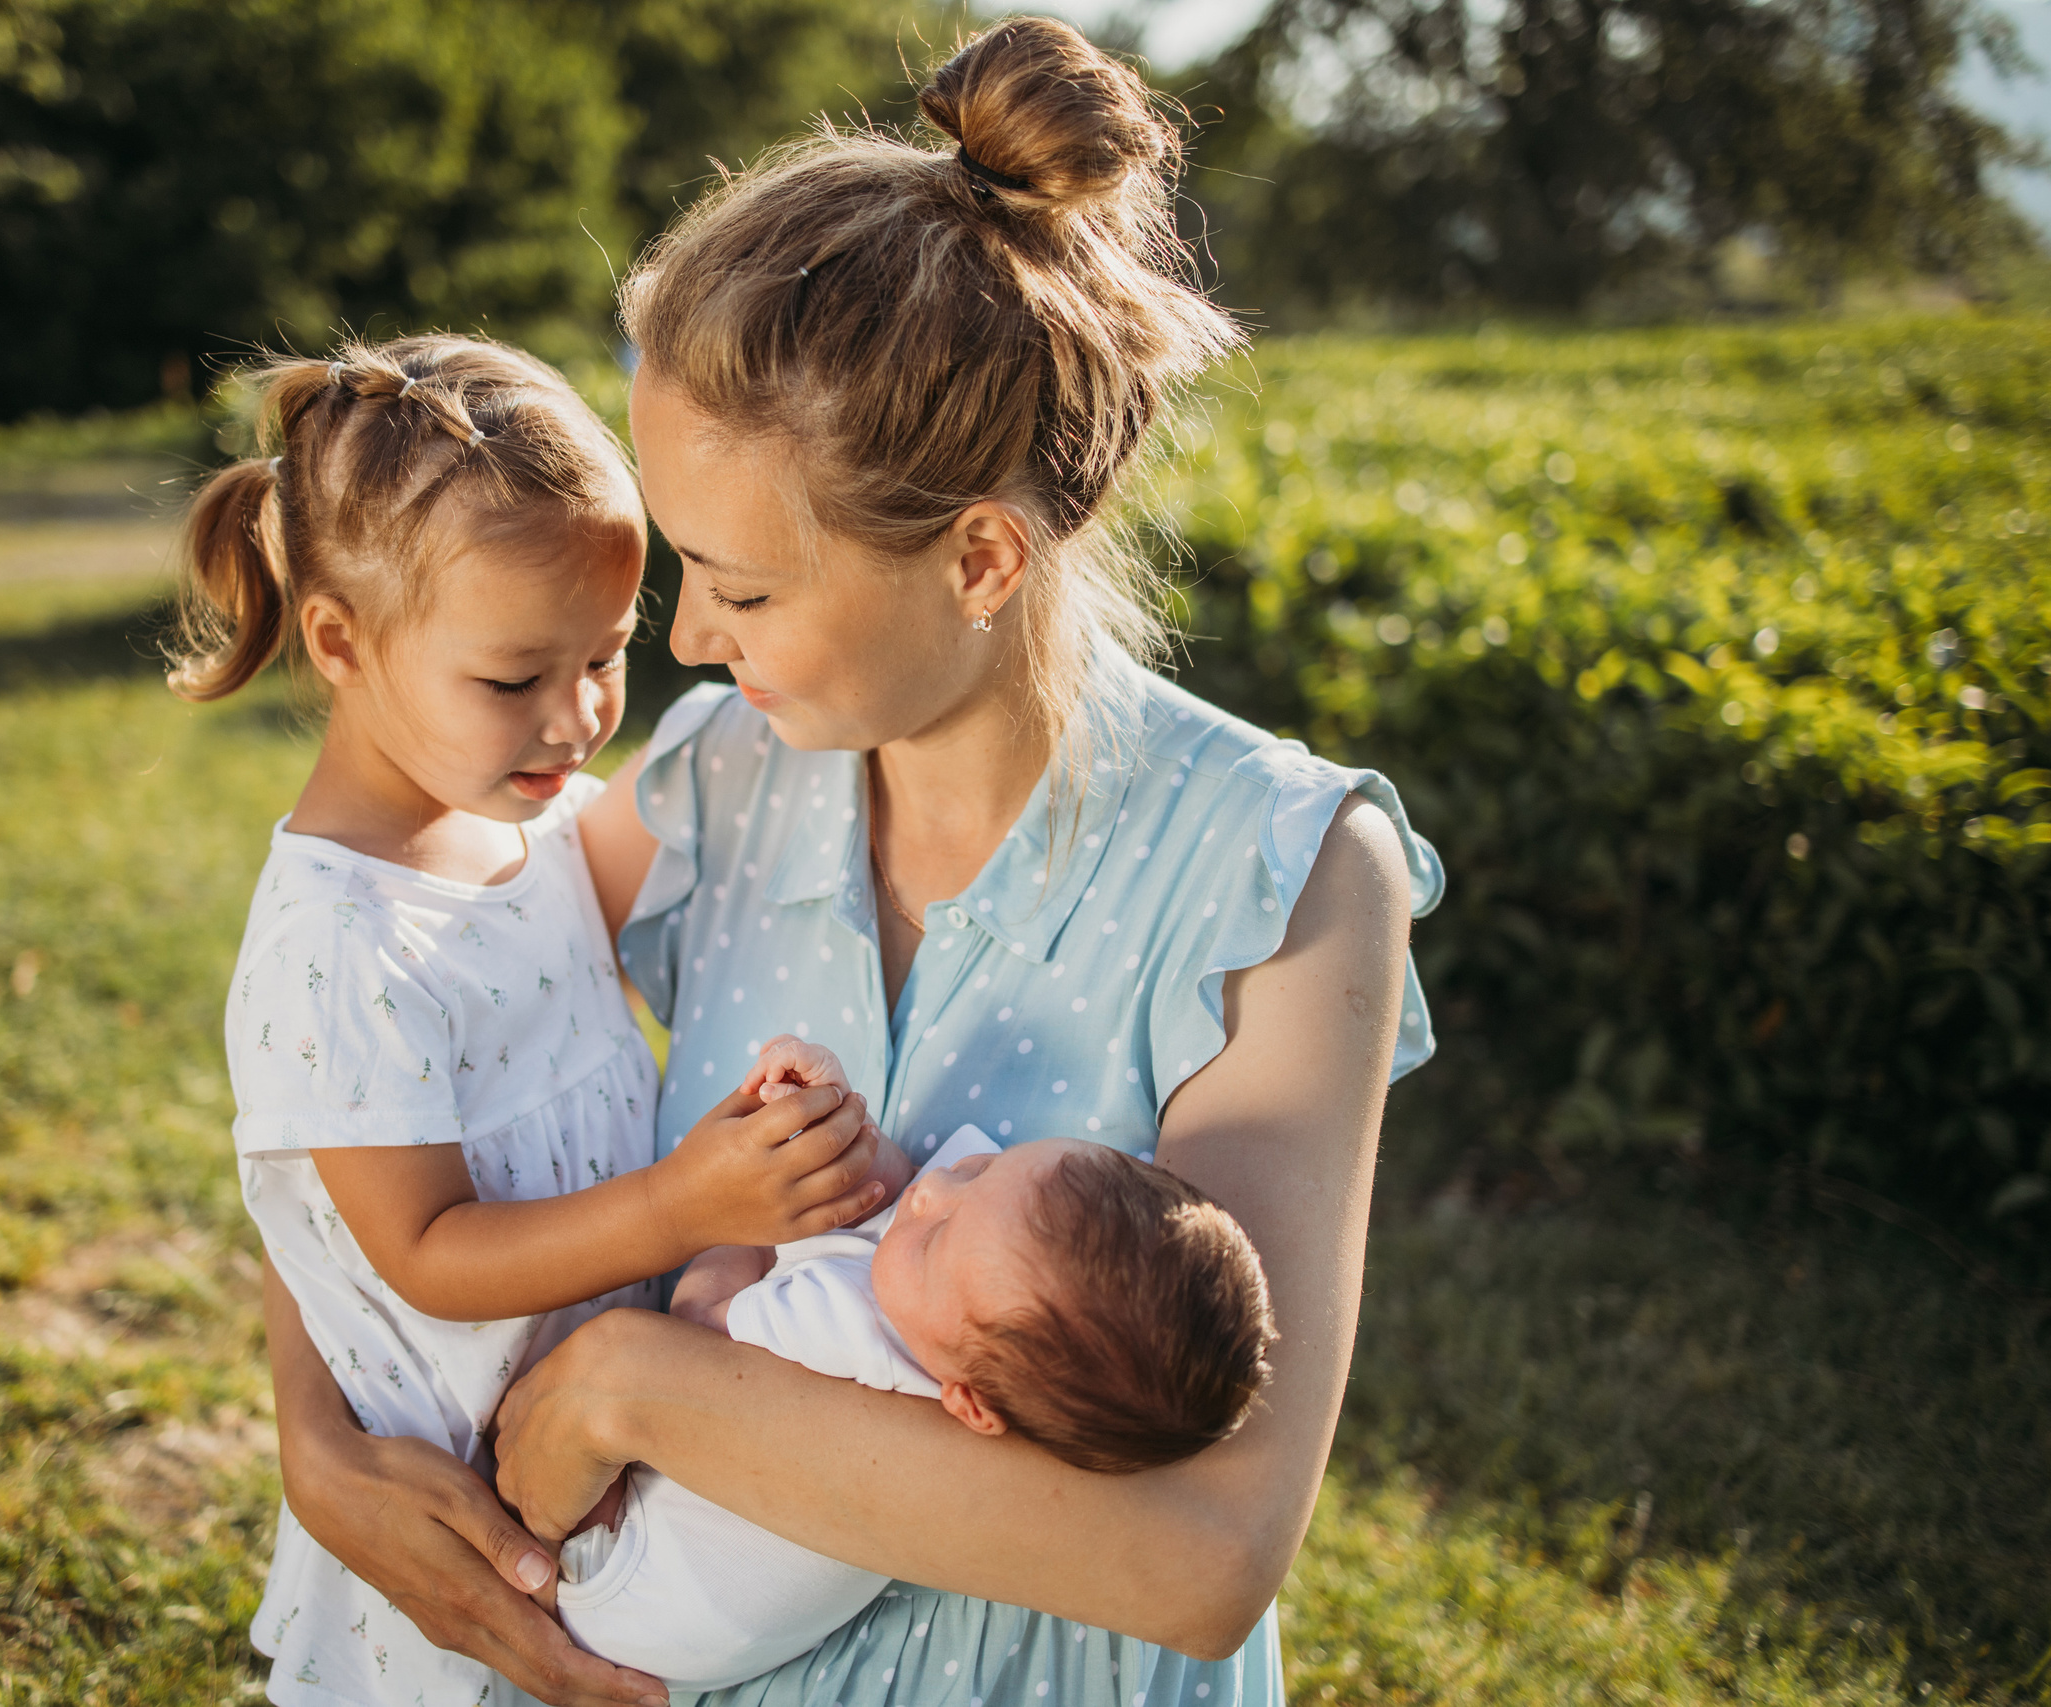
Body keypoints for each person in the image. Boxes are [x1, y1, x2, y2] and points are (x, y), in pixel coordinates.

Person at [262, 17, 1447, 1707]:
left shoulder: (1288, 880)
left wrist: (632, 1385)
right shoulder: (716, 784)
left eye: (742, 590)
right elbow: (361, 1039)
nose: (687, 637)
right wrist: (315, 1429)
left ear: (977, 557)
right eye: (682, 568)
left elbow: (1198, 1556)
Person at [177, 335, 889, 1707]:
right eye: (514, 679)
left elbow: (682, 830)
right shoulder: (340, 942)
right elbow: (427, 1253)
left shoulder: (532, 821)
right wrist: (684, 1201)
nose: (578, 719)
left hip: (584, 1448)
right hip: (458, 1496)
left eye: (610, 654)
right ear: (339, 641)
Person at [556, 1039, 1275, 1692]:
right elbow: (889, 1195)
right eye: (979, 1167)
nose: (934, 1191)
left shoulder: (853, 1332)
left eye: (935, 1235)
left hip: (636, 1591)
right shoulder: (974, 1305)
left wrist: (731, 1227)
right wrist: (835, 1116)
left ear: (966, 1404)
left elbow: (697, 1331)